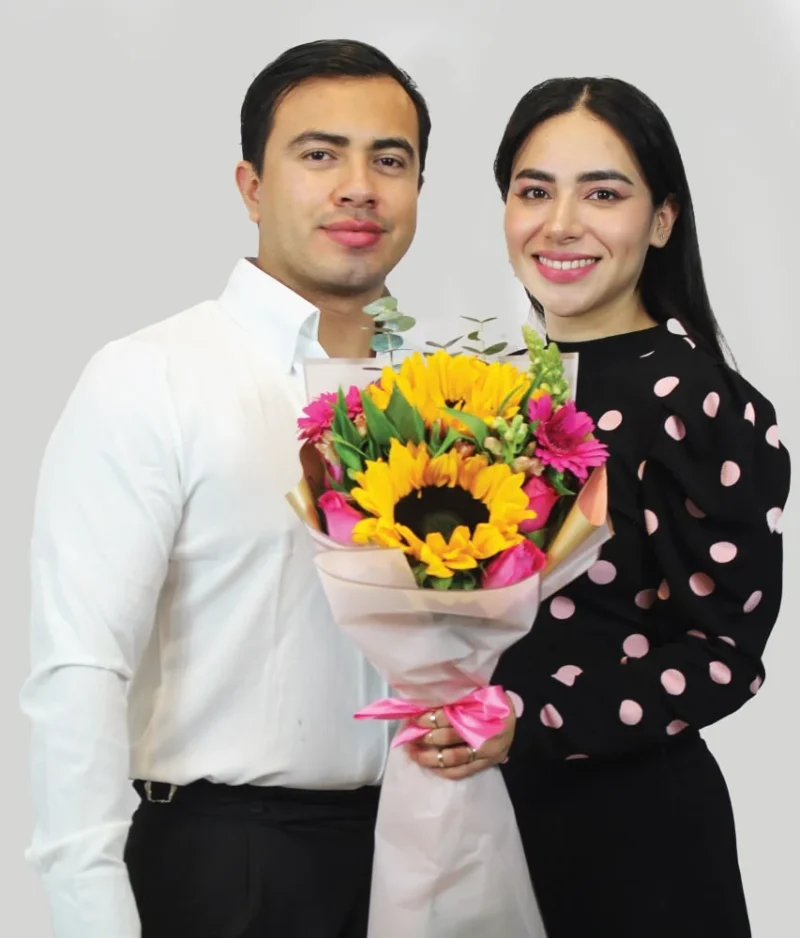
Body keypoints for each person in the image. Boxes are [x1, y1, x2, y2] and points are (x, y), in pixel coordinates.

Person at [20, 38, 438, 938]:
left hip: (421, 856)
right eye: (319, 154)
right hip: (224, 865)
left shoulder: (451, 398)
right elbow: (81, 668)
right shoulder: (151, 376)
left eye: (390, 160)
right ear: (251, 187)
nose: (358, 185)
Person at [411, 77, 790, 937]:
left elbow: (725, 656)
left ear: (662, 220)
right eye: (534, 190)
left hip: (631, 844)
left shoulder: (698, 402)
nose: (561, 223)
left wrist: (532, 720)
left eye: (604, 193)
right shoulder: (487, 392)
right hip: (475, 819)